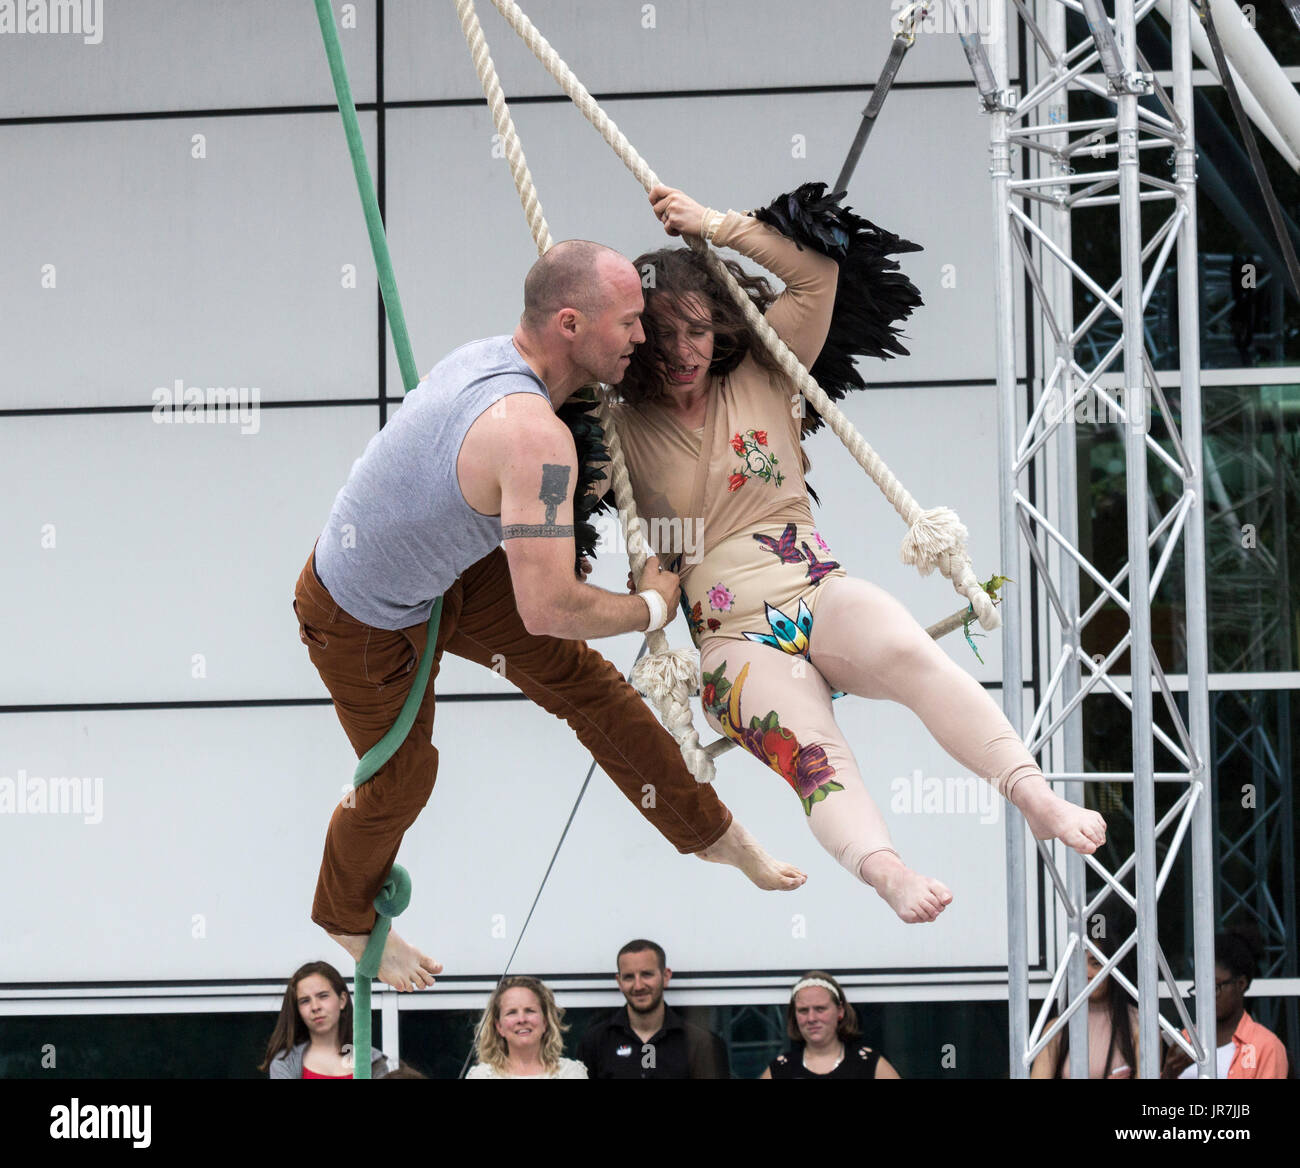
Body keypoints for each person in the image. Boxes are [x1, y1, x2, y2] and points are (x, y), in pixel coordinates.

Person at [294, 239, 808, 992]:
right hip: (360, 615)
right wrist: (651, 605)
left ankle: (709, 833)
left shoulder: (503, 363)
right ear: (571, 323)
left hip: (452, 573)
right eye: (631, 323)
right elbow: (548, 608)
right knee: (405, 778)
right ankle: (343, 913)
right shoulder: (534, 436)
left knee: (591, 690)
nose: (645, 337)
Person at [605, 183, 1108, 923]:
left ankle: (1031, 793)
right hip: (730, 639)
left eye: (699, 329)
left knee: (912, 653)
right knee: (815, 755)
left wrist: (712, 224)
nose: (684, 352)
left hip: (817, 588)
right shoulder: (622, 428)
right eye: (665, 335)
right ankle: (887, 872)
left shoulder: (766, 373)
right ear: (638, 338)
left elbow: (817, 275)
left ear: (720, 324)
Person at [578, 938, 730, 1078]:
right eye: (629, 977)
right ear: (619, 981)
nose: (638, 986)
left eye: (646, 975)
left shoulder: (702, 1044)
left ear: (666, 976)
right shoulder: (595, 1043)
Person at [1162, 926, 1289, 1079]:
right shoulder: (1185, 1039)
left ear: (1241, 984)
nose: (1206, 996)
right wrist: (1169, 1073)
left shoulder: (1266, 1046)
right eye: (1200, 988)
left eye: (1215, 987)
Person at [1031, 915, 1140, 1078]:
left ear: (1114, 968)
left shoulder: (1139, 1025)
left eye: (1096, 963)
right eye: (1079, 964)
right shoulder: (1056, 1029)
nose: (1086, 973)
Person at [261, 960, 389, 1078]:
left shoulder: (372, 1061)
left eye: (323, 996)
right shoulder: (285, 1063)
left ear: (342, 1000)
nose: (315, 1007)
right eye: (305, 1001)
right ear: (297, 1010)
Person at [761, 971, 899, 1079]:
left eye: (820, 1009)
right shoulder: (781, 1069)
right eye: (803, 1010)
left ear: (840, 1011)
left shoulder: (868, 1064)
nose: (811, 1018)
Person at [466, 975, 588, 1078]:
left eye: (530, 1010)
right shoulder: (481, 1075)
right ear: (499, 1027)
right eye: (512, 1012)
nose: (522, 1019)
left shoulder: (571, 1073)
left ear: (545, 1021)